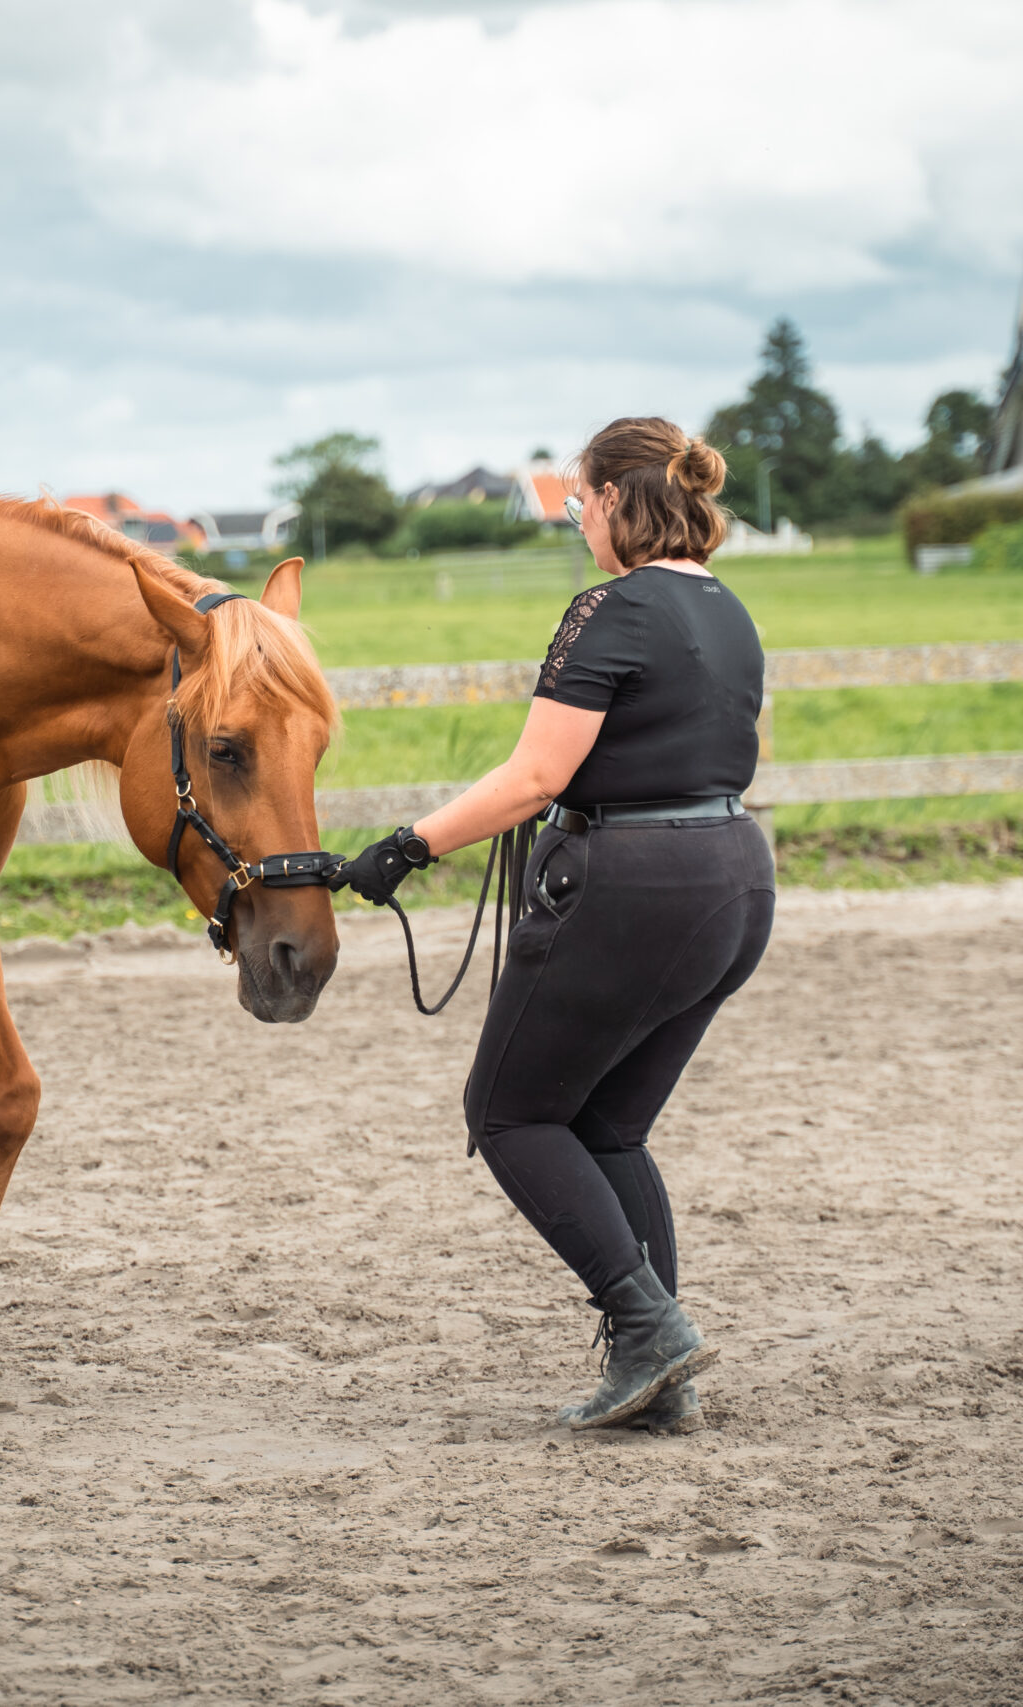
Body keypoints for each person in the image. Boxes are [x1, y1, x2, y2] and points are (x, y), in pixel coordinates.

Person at [337, 416, 775, 1433]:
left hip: (634, 883)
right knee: (609, 1127)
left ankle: (647, 1330)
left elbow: (538, 776)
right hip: (734, 877)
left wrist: (405, 846)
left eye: (582, 499)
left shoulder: (608, 610)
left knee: (509, 1113)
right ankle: (662, 1371)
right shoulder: (731, 611)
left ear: (619, 499)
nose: (578, 517)